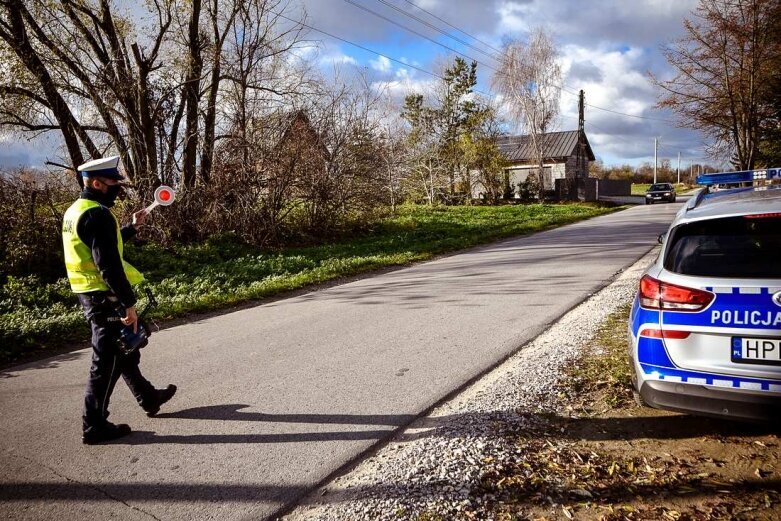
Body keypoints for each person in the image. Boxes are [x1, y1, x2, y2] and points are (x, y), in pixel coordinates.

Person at [62, 156, 176, 445]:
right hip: (105, 296)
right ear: (97, 183)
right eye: (113, 183)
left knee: (122, 352)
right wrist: (128, 303)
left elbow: (97, 243)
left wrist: (130, 227)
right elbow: (108, 266)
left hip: (88, 294)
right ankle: (94, 425)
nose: (118, 188)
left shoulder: (78, 210)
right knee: (106, 362)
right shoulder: (97, 214)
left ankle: (148, 397)